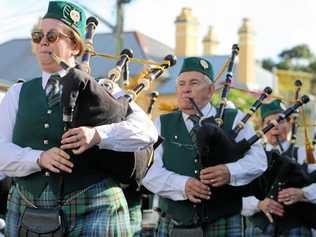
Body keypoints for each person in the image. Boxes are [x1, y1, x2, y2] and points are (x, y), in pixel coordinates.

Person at [0, 1, 158, 236]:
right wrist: (39, 158)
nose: (43, 42)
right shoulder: (18, 93)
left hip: (95, 205)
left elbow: (147, 132)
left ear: (74, 45)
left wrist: (97, 135)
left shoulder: (105, 91)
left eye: (52, 36)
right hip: (27, 208)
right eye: (37, 35)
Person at [142, 57, 267, 236]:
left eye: (194, 83)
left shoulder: (234, 119)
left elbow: (258, 160)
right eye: (181, 84)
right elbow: (148, 170)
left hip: (223, 218)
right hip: (175, 221)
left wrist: (229, 171)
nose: (186, 89)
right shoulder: (162, 123)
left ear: (210, 90)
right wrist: (182, 184)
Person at [242, 99, 316, 237]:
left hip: (297, 226)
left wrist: (302, 193)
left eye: (280, 121)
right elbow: (236, 198)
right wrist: (259, 204)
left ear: (289, 124)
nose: (274, 127)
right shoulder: (253, 157)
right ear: (262, 128)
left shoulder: (305, 154)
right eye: (269, 123)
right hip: (260, 228)